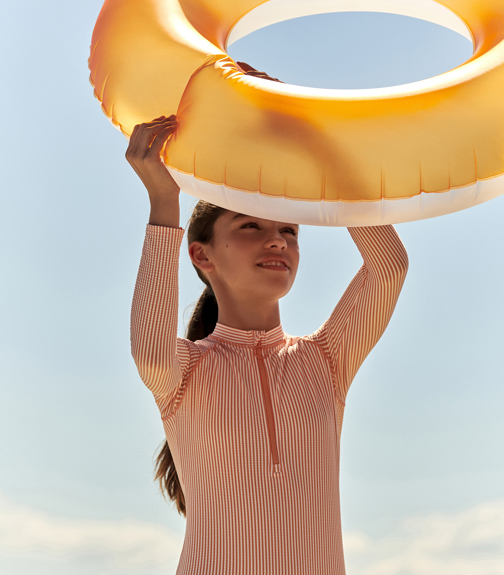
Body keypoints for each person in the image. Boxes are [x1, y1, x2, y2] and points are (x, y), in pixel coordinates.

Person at [126, 64, 409, 575]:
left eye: (290, 230)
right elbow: (148, 347)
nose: (277, 240)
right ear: (202, 256)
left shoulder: (325, 360)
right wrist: (164, 201)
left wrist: (309, 137)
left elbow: (388, 266)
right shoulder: (183, 370)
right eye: (250, 225)